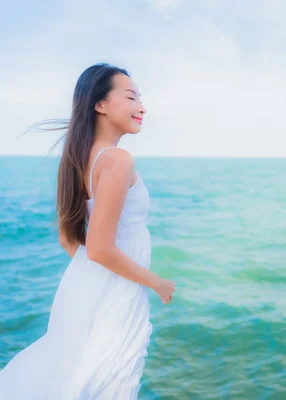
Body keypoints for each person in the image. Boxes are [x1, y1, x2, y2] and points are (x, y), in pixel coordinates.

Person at [0, 63, 176, 399]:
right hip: (115, 292)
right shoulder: (117, 160)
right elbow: (97, 248)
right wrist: (157, 282)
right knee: (105, 382)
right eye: (131, 97)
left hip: (88, 287)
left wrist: (93, 280)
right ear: (100, 104)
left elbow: (70, 238)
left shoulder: (79, 159)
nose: (142, 106)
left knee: (70, 376)